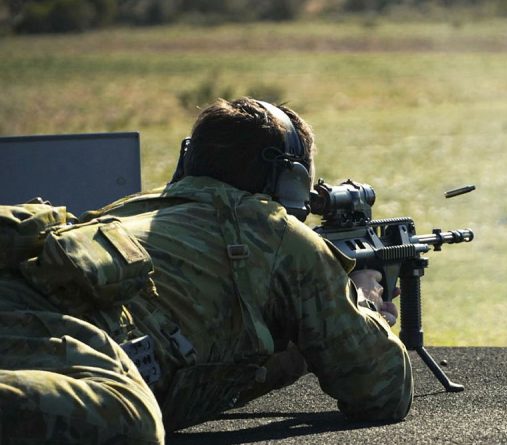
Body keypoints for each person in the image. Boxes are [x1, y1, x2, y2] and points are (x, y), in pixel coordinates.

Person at [0, 97, 413, 444]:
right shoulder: (276, 232)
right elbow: (380, 390)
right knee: (129, 418)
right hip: (72, 339)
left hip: (27, 310)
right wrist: (365, 303)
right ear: (291, 180)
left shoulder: (135, 206)